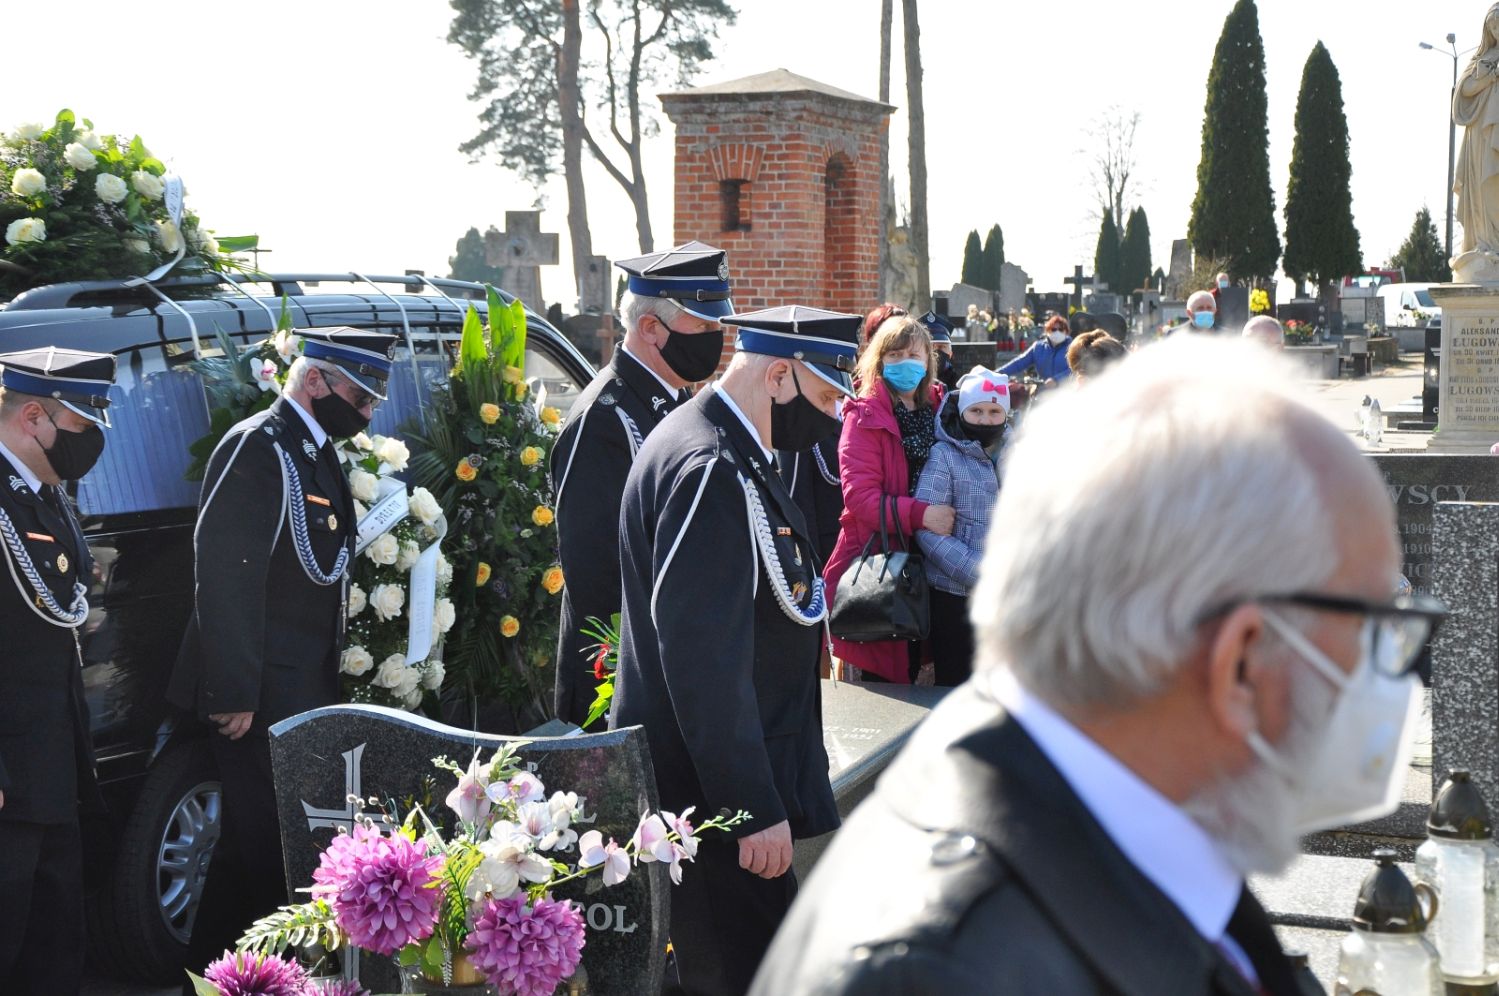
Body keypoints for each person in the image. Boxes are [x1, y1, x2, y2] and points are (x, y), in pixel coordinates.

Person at [752, 337, 1443, 995]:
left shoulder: (1150, 820)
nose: (1389, 672)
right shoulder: (944, 973)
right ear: (1240, 658)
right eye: (1374, 624)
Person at [612, 305, 859, 995]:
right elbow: (701, 660)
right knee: (740, 971)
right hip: (710, 805)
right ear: (779, 376)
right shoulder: (712, 467)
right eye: (824, 397)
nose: (834, 417)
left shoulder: (724, 445)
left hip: (710, 793)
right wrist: (749, 808)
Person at [168, 327, 396, 981]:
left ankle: (219, 980)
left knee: (253, 855)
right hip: (260, 691)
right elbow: (226, 573)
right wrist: (232, 691)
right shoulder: (259, 448)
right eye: (361, 393)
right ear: (316, 379)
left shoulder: (314, 450)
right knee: (269, 854)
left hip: (301, 687)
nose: (370, 409)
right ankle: (248, 981)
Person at [550, 241, 732, 728]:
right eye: (704, 326)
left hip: (670, 659)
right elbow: (594, 571)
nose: (716, 337)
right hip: (622, 675)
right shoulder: (604, 417)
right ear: (651, 327)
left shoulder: (674, 403)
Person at [0, 347, 117, 996]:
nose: (92, 442)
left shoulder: (45, 495)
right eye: (83, 425)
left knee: (52, 954)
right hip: (8, 777)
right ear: (35, 416)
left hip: (54, 765)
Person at [823, 315, 953, 684]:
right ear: (879, 360)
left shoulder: (942, 409)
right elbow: (860, 499)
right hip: (878, 563)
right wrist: (922, 515)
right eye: (894, 354)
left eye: (914, 354)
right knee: (884, 692)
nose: (905, 362)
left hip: (938, 562)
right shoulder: (864, 416)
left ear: (929, 358)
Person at [913, 368, 1008, 688]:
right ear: (962, 411)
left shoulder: (1019, 452)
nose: (985, 419)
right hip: (955, 597)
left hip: (1009, 595)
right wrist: (978, 572)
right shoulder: (944, 455)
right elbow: (928, 531)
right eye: (976, 411)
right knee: (955, 686)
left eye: (995, 411)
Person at [1453, 4, 1499, 281]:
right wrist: (1491, 76)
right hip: (1483, 137)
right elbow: (1466, 90)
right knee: (1484, 186)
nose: (1497, 31)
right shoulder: (1482, 58)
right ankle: (1487, 244)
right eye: (1493, 27)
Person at [999, 314, 1073, 386]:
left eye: (1061, 329)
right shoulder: (1038, 348)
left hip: (1067, 393)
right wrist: (997, 374)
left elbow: (1077, 370)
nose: (1057, 332)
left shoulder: (1073, 348)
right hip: (1044, 392)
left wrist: (1057, 380)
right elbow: (1019, 363)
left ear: (1066, 332)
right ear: (1047, 331)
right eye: (1053, 329)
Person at [919, 311, 959, 392]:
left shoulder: (960, 385)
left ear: (950, 353)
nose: (936, 353)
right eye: (930, 347)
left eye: (941, 347)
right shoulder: (911, 386)